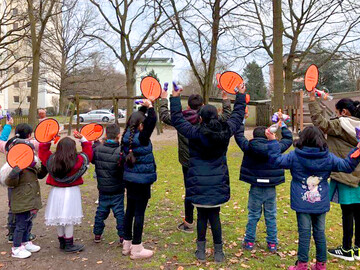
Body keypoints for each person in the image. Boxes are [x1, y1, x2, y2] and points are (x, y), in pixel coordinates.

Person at [265, 125, 360, 270]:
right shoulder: (328, 157)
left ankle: (302, 264)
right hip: (319, 202)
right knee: (319, 233)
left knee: (304, 233)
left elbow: (276, 161)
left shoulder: (295, 156)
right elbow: (347, 165)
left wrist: (272, 141)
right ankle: (321, 265)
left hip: (301, 202)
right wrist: (358, 149)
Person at [170, 84, 246, 262]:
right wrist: (240, 96)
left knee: (202, 216)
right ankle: (219, 252)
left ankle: (201, 251)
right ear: (216, 116)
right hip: (217, 180)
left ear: (200, 119)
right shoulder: (225, 131)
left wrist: (174, 98)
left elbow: (177, 120)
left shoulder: (194, 133)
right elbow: (237, 115)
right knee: (215, 216)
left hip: (198, 181)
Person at [159, 88, 231, 233]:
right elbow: (228, 115)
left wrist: (164, 99)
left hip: (188, 161)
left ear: (188, 106)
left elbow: (164, 115)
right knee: (210, 186)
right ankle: (211, 219)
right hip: (209, 160)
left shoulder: (181, 119)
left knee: (190, 189)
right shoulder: (213, 121)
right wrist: (225, 99)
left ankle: (189, 221)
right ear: (203, 105)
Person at [309, 93, 360, 261]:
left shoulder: (341, 124)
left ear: (344, 112)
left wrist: (312, 100)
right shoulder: (356, 124)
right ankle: (358, 249)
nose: (336, 115)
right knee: (358, 211)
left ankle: (346, 249)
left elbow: (321, 123)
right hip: (359, 173)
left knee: (348, 212)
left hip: (347, 173)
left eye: (337, 112)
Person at [235, 120, 293, 252]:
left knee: (253, 215)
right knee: (271, 215)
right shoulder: (276, 146)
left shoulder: (249, 146)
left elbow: (238, 135)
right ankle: (272, 243)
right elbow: (288, 139)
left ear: (254, 136)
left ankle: (249, 241)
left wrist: (242, 120)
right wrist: (282, 125)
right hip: (270, 187)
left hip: (255, 186)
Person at [39, 131, 93, 253]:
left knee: (59, 217)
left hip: (56, 192)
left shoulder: (51, 160)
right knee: (68, 218)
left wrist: (48, 140)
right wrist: (83, 139)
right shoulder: (78, 160)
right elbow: (88, 154)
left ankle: (62, 242)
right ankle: (69, 243)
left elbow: (42, 151)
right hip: (71, 191)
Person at [2, 128, 48, 259]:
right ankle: (16, 247)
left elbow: (40, 175)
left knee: (28, 222)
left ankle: (25, 241)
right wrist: (15, 171)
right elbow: (10, 182)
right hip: (22, 201)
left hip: (31, 199)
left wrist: (44, 166)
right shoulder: (13, 167)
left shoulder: (32, 164)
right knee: (21, 225)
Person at [120, 100, 157, 259]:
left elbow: (143, 118)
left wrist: (146, 105)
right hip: (142, 181)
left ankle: (127, 244)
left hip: (130, 180)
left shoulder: (126, 137)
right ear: (141, 125)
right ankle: (137, 248)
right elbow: (152, 121)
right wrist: (151, 107)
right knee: (139, 213)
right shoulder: (142, 138)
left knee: (130, 210)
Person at [0, 121, 38, 244]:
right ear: (28, 135)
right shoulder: (30, 145)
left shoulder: (9, 145)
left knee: (13, 207)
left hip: (11, 178)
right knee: (27, 208)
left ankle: (12, 233)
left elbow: (1, 139)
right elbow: (44, 142)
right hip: (25, 182)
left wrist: (7, 125)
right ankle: (25, 234)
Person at [92, 124, 124, 244]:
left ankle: (97, 234)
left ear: (105, 135)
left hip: (103, 188)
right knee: (120, 213)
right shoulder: (121, 151)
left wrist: (95, 144)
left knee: (101, 211)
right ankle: (122, 236)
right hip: (117, 188)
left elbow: (92, 158)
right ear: (118, 135)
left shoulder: (98, 150)